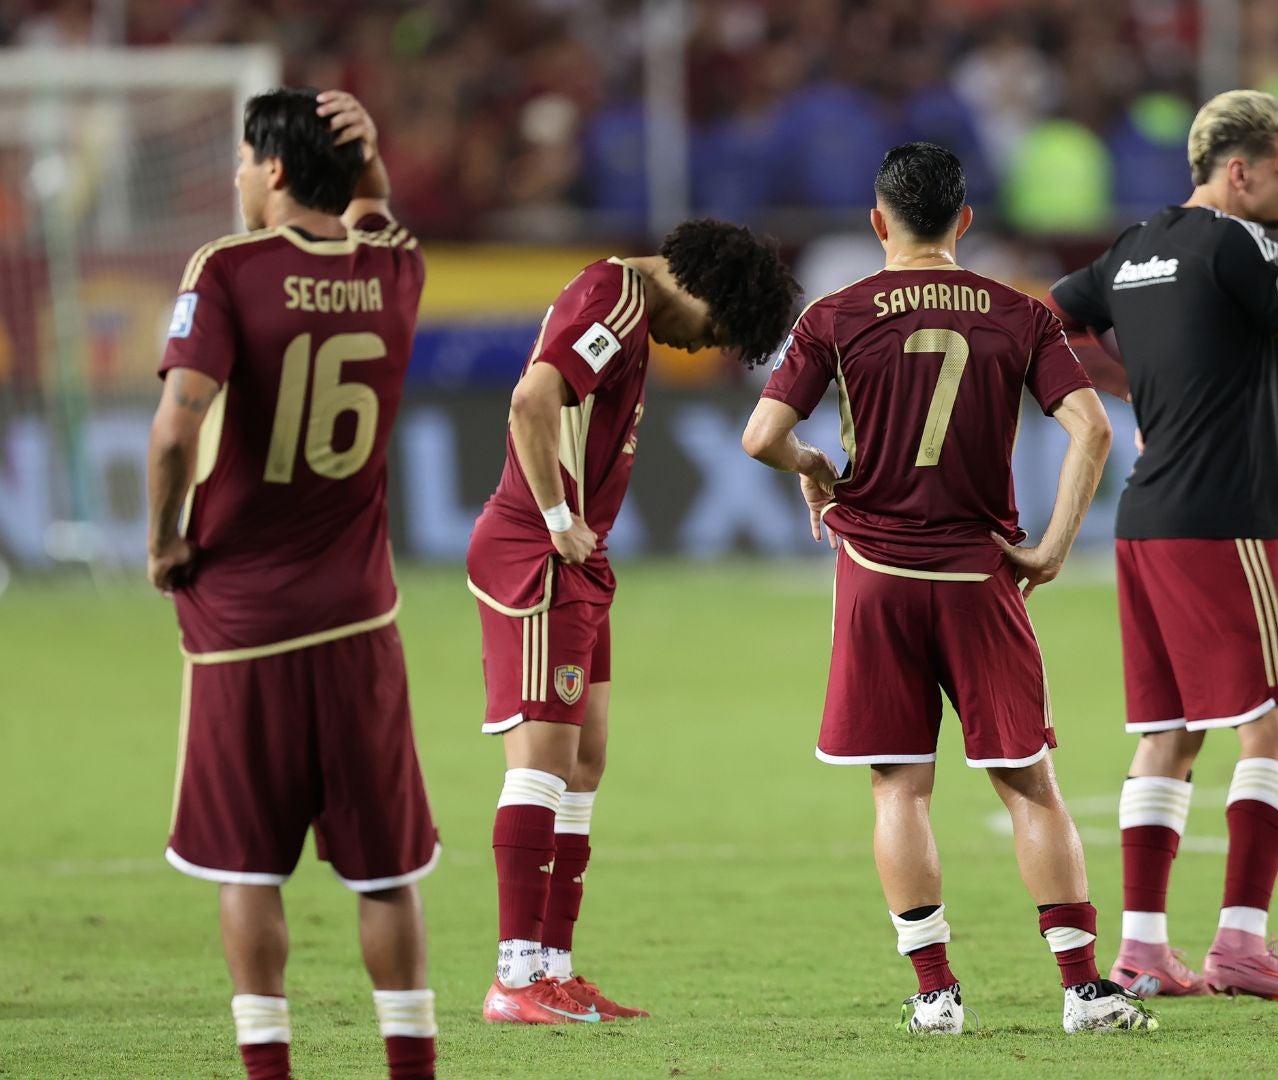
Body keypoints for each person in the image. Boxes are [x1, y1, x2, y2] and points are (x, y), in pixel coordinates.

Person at [740, 141, 1156, 1035]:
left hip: (876, 577)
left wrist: (814, 467)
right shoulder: (1020, 314)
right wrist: (1052, 547)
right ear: (964, 220)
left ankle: (935, 994)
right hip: (979, 573)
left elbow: (761, 436)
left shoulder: (836, 313)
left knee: (900, 788)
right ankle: (1084, 989)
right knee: (1029, 783)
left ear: (878, 221)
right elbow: (1092, 431)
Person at [147, 88, 438, 1080]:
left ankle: (270, 1070)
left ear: (272, 169)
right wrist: (368, 157)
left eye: (242, 160)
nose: (236, 175)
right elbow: (377, 208)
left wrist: (164, 541)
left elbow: (175, 431)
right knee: (385, 872)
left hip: (245, 622)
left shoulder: (227, 268)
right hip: (359, 617)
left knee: (246, 865)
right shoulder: (395, 269)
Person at [1047, 88, 1278, 1002]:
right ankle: (1242, 943)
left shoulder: (1135, 247)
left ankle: (1141, 950)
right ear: (1241, 170)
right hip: (1228, 521)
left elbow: (1052, 320)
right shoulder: (1235, 242)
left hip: (1145, 521)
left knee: (1169, 735)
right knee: (1277, 716)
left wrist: (1134, 387)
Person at [466, 218, 798, 1024]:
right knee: (542, 765)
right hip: (538, 553)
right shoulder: (616, 295)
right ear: (704, 287)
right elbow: (531, 399)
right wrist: (557, 518)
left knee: (583, 765)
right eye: (715, 328)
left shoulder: (629, 312)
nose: (702, 346)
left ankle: (554, 969)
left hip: (579, 561)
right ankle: (514, 976)